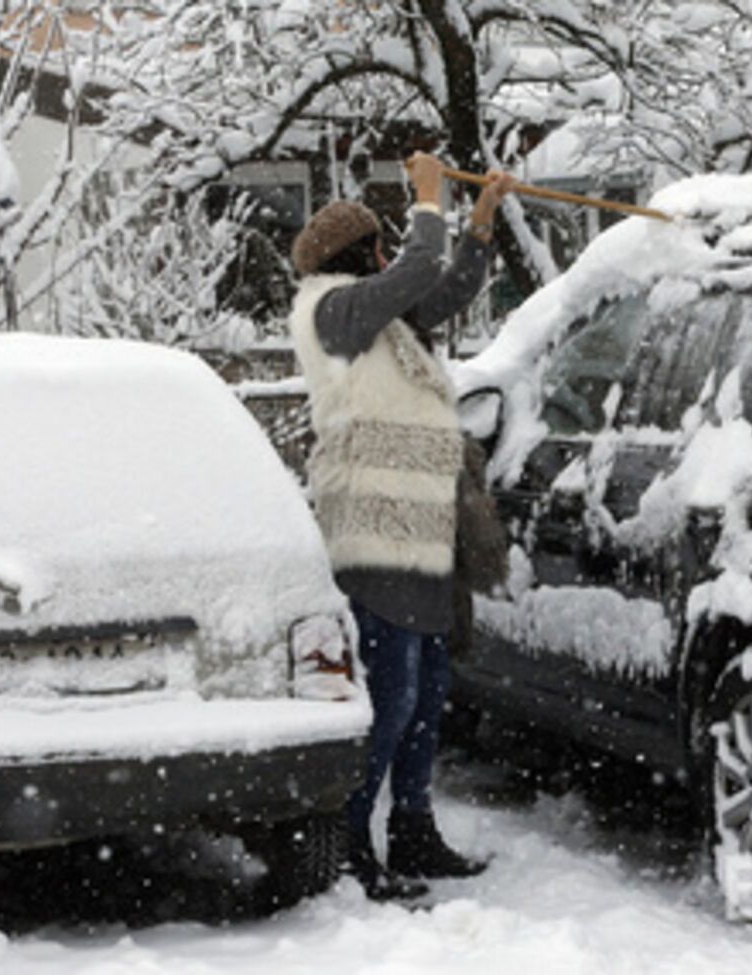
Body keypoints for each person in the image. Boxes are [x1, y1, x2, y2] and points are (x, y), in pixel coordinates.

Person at [288, 152, 517, 901]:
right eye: (379, 248)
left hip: (424, 531)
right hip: (372, 530)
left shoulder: (384, 322)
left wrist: (481, 216)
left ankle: (413, 827)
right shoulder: (333, 312)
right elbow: (419, 268)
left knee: (425, 695)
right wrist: (426, 196)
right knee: (388, 700)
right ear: (357, 257)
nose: (390, 257)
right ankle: (353, 842)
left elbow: (444, 288)